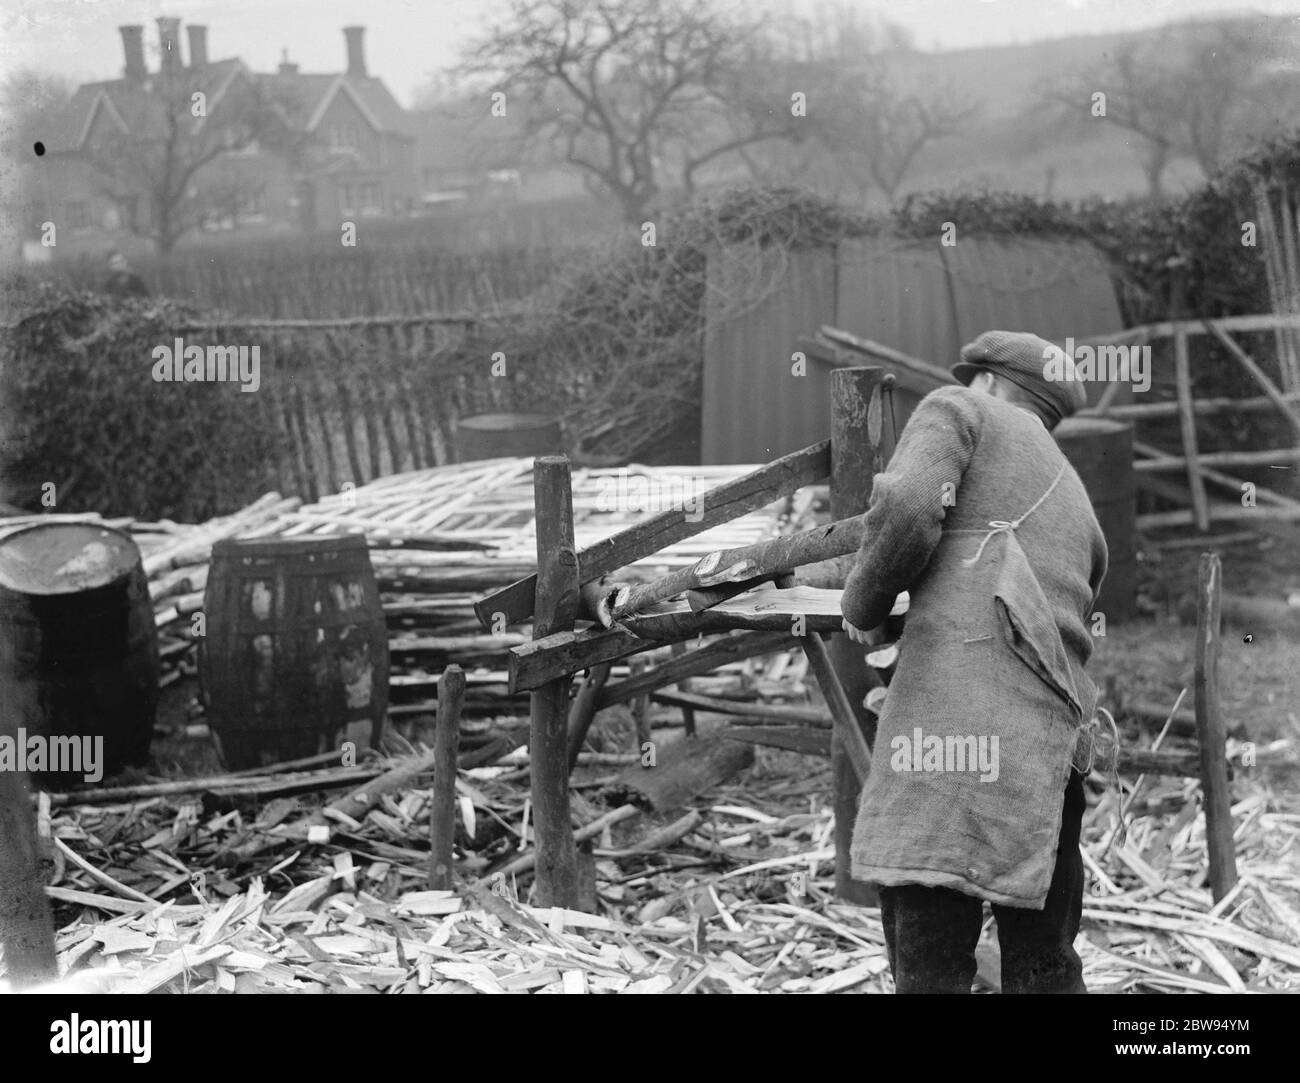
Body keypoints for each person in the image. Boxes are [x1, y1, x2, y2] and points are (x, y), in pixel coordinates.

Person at [839, 329, 1108, 994]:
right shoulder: (1072, 489)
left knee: (930, 964)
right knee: (1044, 969)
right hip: (1051, 759)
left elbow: (906, 504)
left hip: (954, 736)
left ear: (986, 380)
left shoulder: (962, 410)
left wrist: (862, 602)